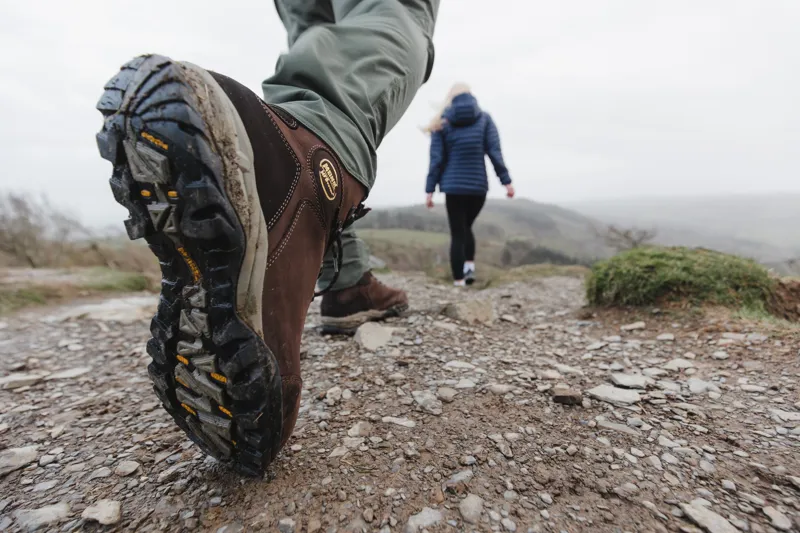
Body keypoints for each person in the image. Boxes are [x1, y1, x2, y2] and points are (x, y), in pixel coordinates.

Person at [94, 0, 438, 476]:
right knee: (393, 9)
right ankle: (303, 167)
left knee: (314, 26)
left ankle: (345, 279)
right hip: (307, 165)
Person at [424, 84, 514, 286]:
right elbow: (494, 152)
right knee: (466, 227)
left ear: (450, 99)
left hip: (453, 188)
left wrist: (429, 190)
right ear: (471, 96)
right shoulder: (484, 119)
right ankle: (469, 268)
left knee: (458, 232)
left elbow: (436, 160)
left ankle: (459, 281)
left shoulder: (441, 123)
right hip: (478, 187)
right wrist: (506, 181)